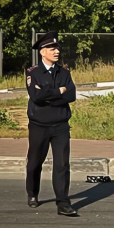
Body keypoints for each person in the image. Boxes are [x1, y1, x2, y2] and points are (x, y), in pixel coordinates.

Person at [25, 31, 78, 217]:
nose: (56, 51)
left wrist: (49, 94)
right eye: (52, 48)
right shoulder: (33, 72)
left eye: (57, 48)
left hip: (60, 125)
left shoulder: (64, 73)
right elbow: (36, 96)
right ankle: (32, 193)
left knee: (62, 164)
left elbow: (71, 95)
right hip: (39, 125)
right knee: (34, 162)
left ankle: (63, 202)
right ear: (42, 52)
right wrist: (58, 92)